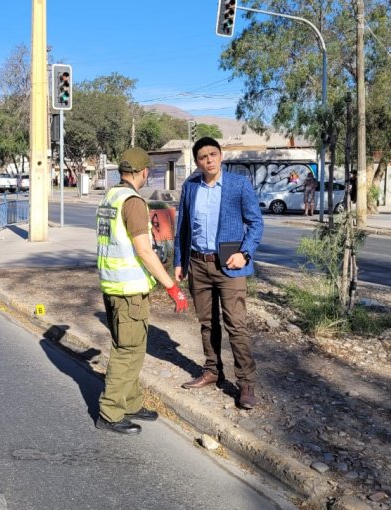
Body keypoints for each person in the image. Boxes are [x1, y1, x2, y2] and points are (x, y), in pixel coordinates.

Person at [95, 147, 189, 435]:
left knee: (132, 349)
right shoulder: (134, 202)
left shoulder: (110, 197)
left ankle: (132, 402)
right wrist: (172, 287)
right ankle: (110, 412)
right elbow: (144, 252)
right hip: (129, 291)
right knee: (128, 352)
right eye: (148, 170)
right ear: (142, 172)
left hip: (112, 286)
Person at [173, 137, 264, 410]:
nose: (208, 160)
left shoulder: (238, 185)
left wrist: (245, 253)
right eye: (203, 157)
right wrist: (179, 261)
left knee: (236, 325)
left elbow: (256, 223)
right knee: (206, 322)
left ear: (221, 155)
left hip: (230, 265)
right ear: (197, 161)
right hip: (198, 264)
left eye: (213, 154)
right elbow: (182, 229)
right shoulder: (190, 187)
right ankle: (213, 370)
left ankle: (245, 383)